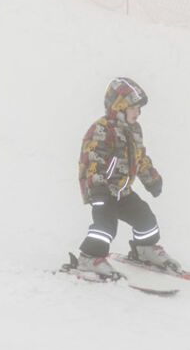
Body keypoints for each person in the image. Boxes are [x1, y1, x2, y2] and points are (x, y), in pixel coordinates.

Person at [77, 77, 181, 280]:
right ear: (119, 107)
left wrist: (151, 178)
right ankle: (89, 257)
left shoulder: (134, 130)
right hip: (102, 191)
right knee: (105, 228)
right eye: (134, 108)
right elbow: (91, 161)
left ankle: (144, 248)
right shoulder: (101, 129)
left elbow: (139, 157)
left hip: (122, 191)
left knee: (145, 218)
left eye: (139, 109)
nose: (138, 112)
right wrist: (97, 189)